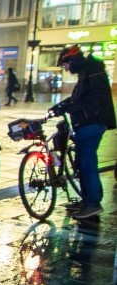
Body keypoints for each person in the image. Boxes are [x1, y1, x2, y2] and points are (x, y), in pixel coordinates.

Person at [49, 45, 116, 219]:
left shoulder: (93, 72)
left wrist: (71, 107)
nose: (66, 68)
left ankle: (93, 203)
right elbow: (79, 97)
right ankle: (87, 200)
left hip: (92, 123)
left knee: (87, 163)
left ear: (73, 60)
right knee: (82, 162)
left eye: (66, 65)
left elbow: (94, 99)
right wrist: (62, 105)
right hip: (86, 123)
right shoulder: (87, 73)